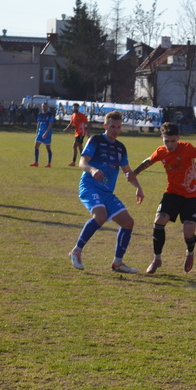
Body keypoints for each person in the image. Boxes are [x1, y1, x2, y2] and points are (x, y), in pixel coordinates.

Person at [127, 122, 196, 274]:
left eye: (173, 141)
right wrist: (135, 173)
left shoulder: (187, 148)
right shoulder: (161, 151)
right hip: (172, 193)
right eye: (166, 141)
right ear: (162, 139)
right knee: (159, 221)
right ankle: (157, 259)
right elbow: (148, 161)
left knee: (188, 233)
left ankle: (190, 252)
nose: (169, 145)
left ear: (178, 138)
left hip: (192, 195)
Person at [69, 110, 144, 274]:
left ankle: (118, 263)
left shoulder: (120, 148)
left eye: (118, 127)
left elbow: (127, 171)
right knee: (100, 216)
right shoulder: (95, 140)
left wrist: (138, 187)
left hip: (107, 192)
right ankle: (76, 251)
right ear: (105, 126)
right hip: (90, 186)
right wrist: (92, 170)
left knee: (128, 222)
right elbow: (82, 162)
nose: (115, 130)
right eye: (112, 127)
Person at [63, 103, 89, 167]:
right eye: (74, 107)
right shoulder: (73, 115)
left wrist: (88, 132)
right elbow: (71, 124)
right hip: (77, 133)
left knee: (74, 146)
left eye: (76, 107)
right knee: (80, 148)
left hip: (81, 133)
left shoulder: (82, 115)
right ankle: (86, 161)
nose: (75, 108)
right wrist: (66, 129)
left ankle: (74, 162)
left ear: (78, 108)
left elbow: (87, 124)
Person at [31, 101, 54, 167]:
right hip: (40, 132)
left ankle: (49, 163)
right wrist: (36, 132)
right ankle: (36, 162)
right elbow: (38, 123)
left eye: (45, 106)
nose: (44, 107)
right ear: (41, 107)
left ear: (47, 107)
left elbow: (50, 125)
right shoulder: (40, 114)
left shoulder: (50, 115)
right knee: (36, 146)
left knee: (48, 148)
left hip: (47, 133)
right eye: (43, 106)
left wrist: (46, 133)